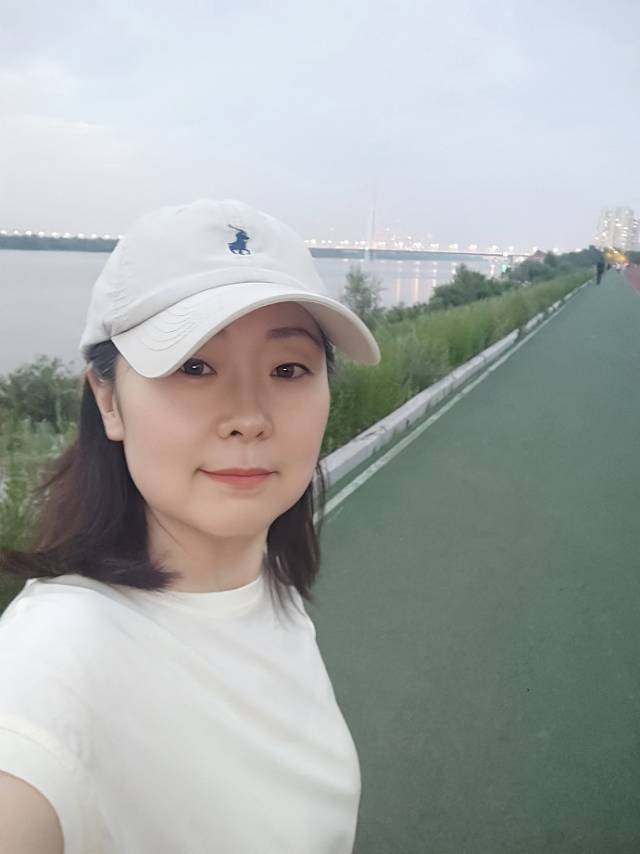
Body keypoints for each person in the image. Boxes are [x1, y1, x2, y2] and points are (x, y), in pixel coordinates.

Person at [0, 199, 381, 854]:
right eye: (193, 367)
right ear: (108, 399)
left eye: (288, 369)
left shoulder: (269, 589)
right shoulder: (51, 666)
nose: (249, 417)